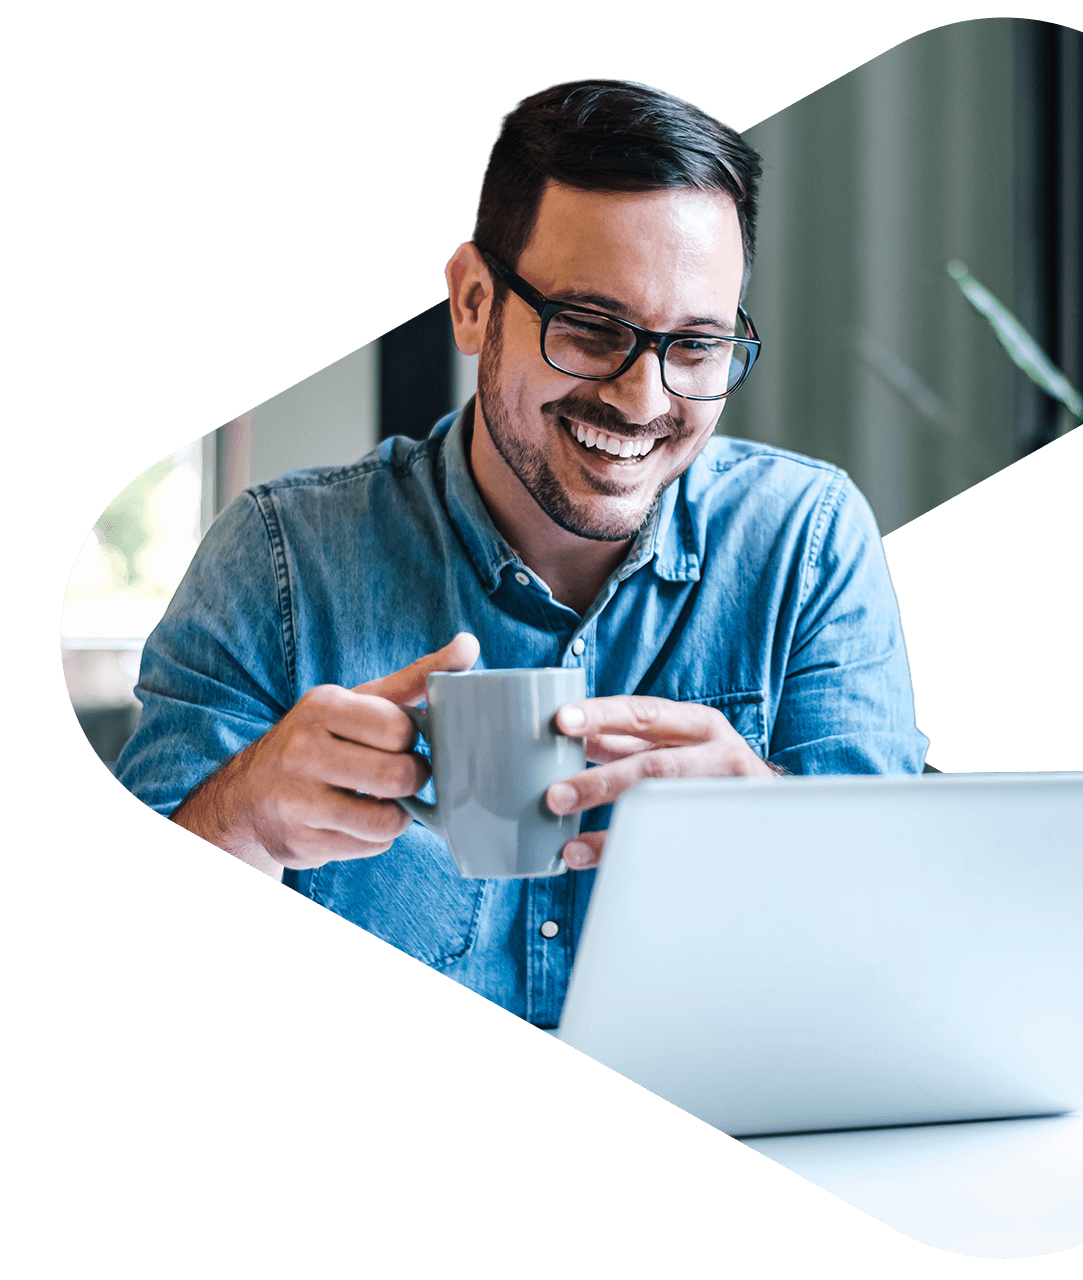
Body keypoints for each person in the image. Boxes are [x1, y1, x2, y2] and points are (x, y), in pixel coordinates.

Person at [114, 79, 929, 1027]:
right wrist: (242, 817)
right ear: (471, 302)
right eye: (590, 329)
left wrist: (780, 822)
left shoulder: (807, 540)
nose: (642, 399)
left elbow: (900, 945)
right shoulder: (278, 562)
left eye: (697, 345)